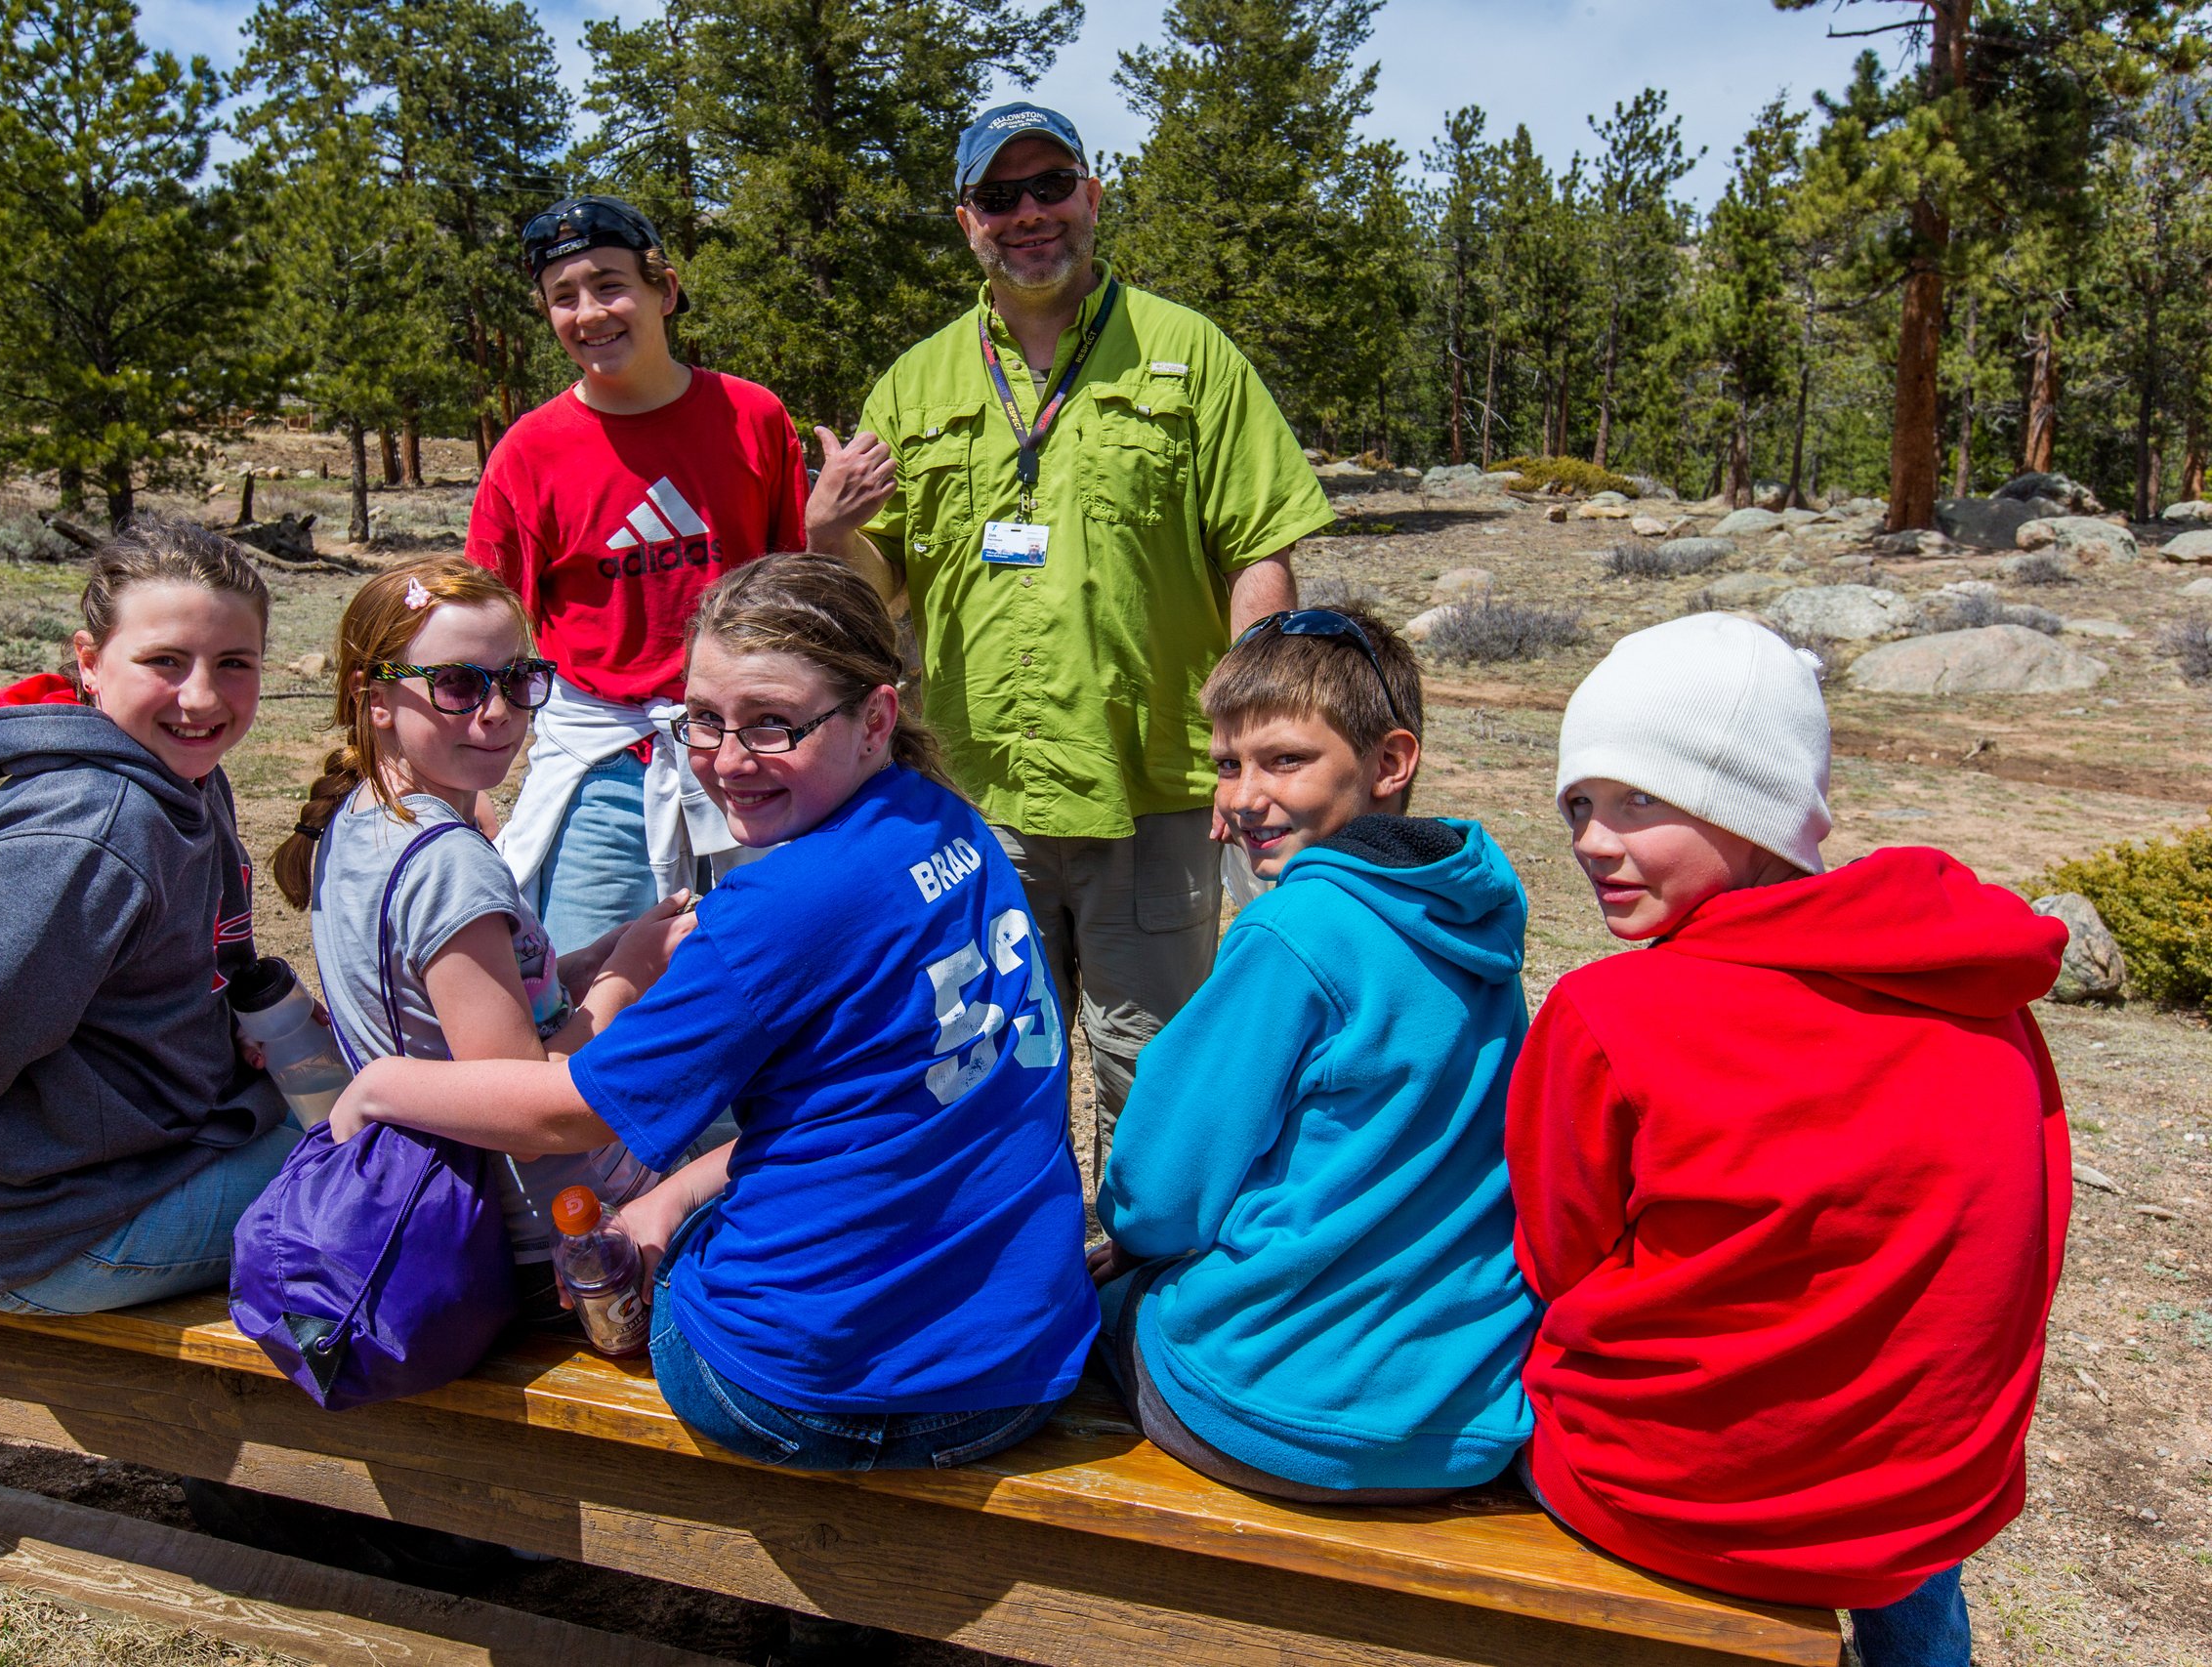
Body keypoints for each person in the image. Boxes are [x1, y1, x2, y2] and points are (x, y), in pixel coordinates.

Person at [329, 554, 1097, 1472]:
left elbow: (559, 1112)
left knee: (600, 1274)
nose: (727, 762)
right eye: (703, 720)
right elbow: (862, 1110)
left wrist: (379, 1085)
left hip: (815, 1384)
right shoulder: (949, 822)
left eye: (772, 725)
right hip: (1024, 1347)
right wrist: (671, 1197)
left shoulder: (776, 909)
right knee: (666, 1202)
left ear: (876, 718)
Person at [1508, 612, 2070, 1665]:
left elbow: (1556, 1260)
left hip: (1671, 1499)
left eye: (1639, 799)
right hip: (1919, 1498)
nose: (1591, 839)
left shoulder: (1607, 1014)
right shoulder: (1974, 987)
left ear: (1752, 807)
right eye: (1577, 804)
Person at [806, 103, 1337, 1176]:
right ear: (967, 223)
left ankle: (1143, 1300)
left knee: (1153, 1069)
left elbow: (1260, 550)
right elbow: (882, 590)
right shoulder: (917, 383)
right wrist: (829, 532)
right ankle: (1021, 1286)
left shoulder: (1188, 354)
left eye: (1050, 186)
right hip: (977, 792)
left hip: (1151, 788)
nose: (1028, 214)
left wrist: (1253, 751)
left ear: (1092, 198)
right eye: (999, 197)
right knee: (990, 1065)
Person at [1088, 606, 1535, 1502]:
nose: (1243, 796)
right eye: (1227, 765)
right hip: (1463, 1404)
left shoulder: (1294, 933)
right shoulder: (1472, 916)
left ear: (1389, 762)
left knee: (1062, 1311)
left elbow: (1164, 1190)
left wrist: (1131, 1243)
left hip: (1282, 1406)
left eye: (1284, 760)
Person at [0, 521, 297, 1314]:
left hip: (136, 1160)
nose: (201, 697)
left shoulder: (184, 777)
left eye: (234, 664)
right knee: (415, 1170)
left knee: (385, 1116)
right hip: (56, 1230)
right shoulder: (93, 829)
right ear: (88, 661)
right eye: (164, 661)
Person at [271, 555, 690, 1319]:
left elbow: (464, 1008)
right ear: (375, 699)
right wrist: (628, 976)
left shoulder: (361, 816)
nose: (496, 710)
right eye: (458, 684)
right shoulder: (449, 865)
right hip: (552, 1240)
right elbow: (532, 1113)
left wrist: (593, 959)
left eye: (518, 678)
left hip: (460, 1210)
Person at [468, 195, 811, 951]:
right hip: (608, 767)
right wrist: (459, 782)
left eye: (609, 284)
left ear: (666, 288)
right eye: (563, 296)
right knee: (593, 995)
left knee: (777, 983)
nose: (589, 313)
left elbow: (795, 589)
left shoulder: (751, 417)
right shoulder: (530, 454)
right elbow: (475, 634)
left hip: (752, 755)